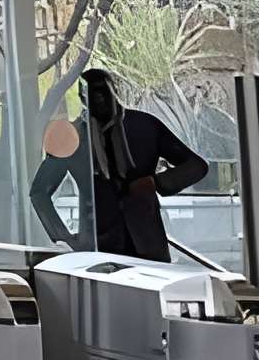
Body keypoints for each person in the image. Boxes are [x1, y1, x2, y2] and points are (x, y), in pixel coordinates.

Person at [27, 67, 210, 261]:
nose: (99, 100)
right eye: (92, 94)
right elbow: (39, 192)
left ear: (115, 92)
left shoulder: (144, 126)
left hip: (148, 245)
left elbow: (196, 166)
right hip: (97, 250)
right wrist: (63, 239)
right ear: (83, 99)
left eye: (104, 92)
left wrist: (155, 182)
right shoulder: (73, 137)